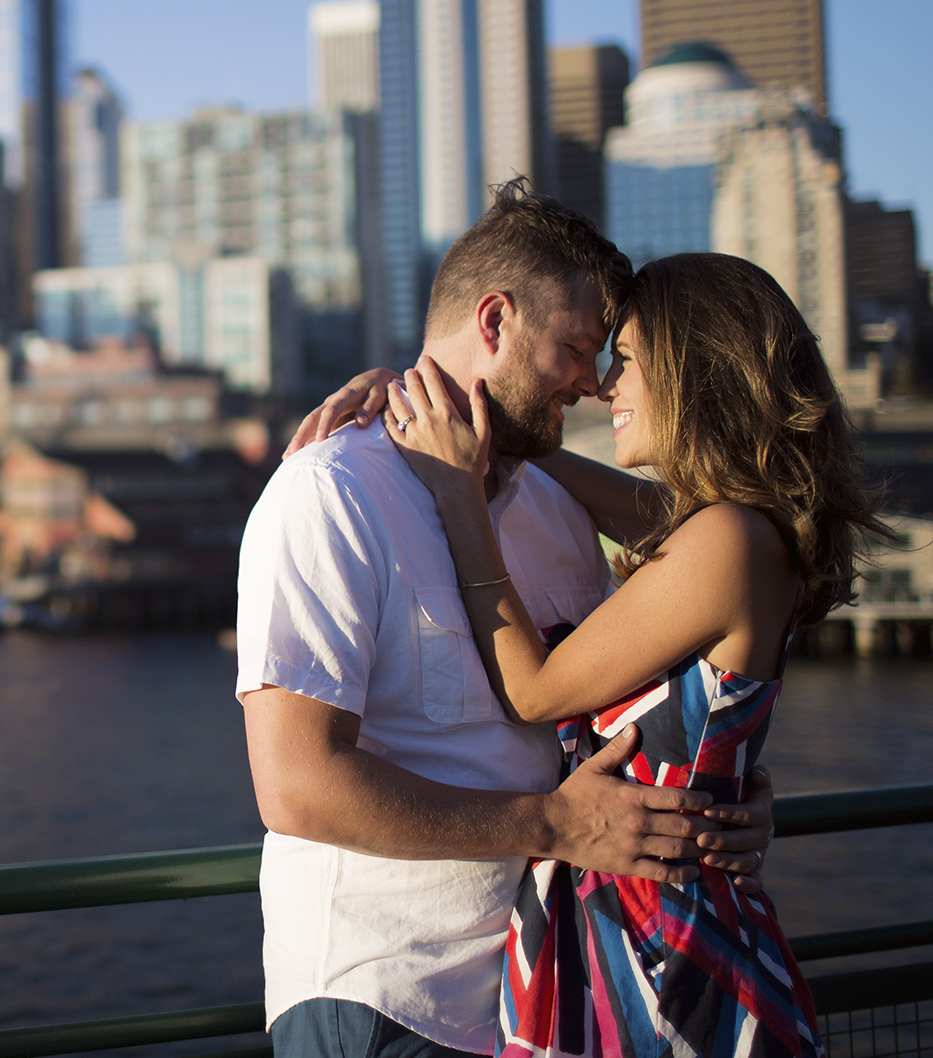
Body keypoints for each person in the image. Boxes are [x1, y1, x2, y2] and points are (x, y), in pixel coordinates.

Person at [238, 182, 775, 1058]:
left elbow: (634, 702)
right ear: (494, 321)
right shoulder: (331, 492)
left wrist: (721, 797)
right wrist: (555, 826)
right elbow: (296, 786)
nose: (594, 384)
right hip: (389, 999)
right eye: (573, 348)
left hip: (551, 997)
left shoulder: (558, 506)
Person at [349, 252, 889, 1058]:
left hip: (662, 952)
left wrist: (462, 492)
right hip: (638, 920)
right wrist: (455, 414)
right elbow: (601, 490)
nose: (604, 388)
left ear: (695, 372)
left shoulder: (728, 543)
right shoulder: (728, 531)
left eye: (628, 361)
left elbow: (533, 693)